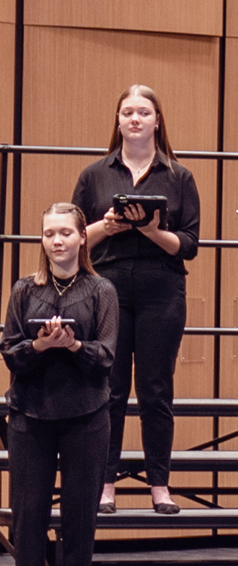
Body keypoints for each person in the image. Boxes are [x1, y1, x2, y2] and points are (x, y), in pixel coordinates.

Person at [71, 84, 199, 514]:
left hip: (161, 288)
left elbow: (189, 244)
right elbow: (73, 239)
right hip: (106, 288)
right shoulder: (95, 175)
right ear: (119, 120)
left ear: (157, 120)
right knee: (109, 389)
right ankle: (104, 484)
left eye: (144, 112)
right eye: (127, 112)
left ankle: (159, 486)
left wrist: (151, 231)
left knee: (156, 390)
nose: (135, 119)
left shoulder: (179, 176)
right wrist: (106, 226)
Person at [0, 203, 118, 566]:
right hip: (31, 413)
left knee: (79, 513)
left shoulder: (101, 289)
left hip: (86, 414)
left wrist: (72, 347)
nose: (57, 241)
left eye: (66, 232)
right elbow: (10, 352)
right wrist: (40, 347)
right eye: (50, 233)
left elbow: (106, 357)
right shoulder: (24, 290)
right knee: (28, 512)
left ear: (82, 237)